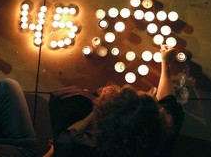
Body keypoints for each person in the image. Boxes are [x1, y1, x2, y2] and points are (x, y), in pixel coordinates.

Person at [44, 44, 184, 157]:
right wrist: (166, 63)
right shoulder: (163, 133)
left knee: (67, 98)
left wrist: (99, 107)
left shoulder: (86, 147)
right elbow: (168, 99)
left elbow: (65, 137)